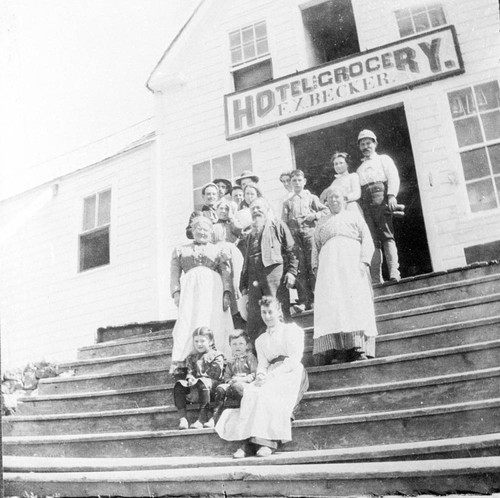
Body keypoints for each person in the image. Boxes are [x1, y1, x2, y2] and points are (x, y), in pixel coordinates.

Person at [215, 296, 308, 458]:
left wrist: (271, 375)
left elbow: (294, 360)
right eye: (264, 312)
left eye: (270, 312)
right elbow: (263, 364)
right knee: (252, 392)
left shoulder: (292, 331)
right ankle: (248, 443)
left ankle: (268, 443)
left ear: (279, 311)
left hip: (291, 373)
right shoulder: (261, 340)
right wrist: (260, 375)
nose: (267, 316)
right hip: (270, 372)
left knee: (269, 393)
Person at [312, 186, 377, 364]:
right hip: (329, 271)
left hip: (352, 267)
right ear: (326, 203)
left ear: (345, 200)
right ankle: (339, 349)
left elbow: (368, 241)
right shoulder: (321, 223)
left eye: (337, 197)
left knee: (354, 304)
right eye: (330, 198)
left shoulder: (354, 217)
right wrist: (317, 269)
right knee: (334, 307)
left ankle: (358, 348)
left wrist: (364, 262)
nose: (333, 200)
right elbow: (315, 249)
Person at [170, 216, 233, 373]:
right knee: (187, 320)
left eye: (205, 230)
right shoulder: (181, 250)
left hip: (213, 289)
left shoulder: (218, 250)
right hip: (190, 290)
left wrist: (226, 293)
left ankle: (220, 359)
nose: (202, 233)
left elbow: (226, 272)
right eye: (199, 229)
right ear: (193, 231)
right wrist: (176, 292)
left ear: (210, 232)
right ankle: (182, 361)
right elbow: (174, 274)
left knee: (214, 319)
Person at [240, 198, 298, 343]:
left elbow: (292, 250)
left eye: (259, 208)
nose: (256, 211)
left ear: (267, 210)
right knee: (255, 318)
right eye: (253, 209)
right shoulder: (249, 235)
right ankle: (260, 356)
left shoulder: (277, 225)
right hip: (254, 281)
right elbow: (247, 261)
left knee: (278, 312)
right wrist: (243, 285)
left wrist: (291, 271)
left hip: (274, 278)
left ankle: (284, 349)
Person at [356, 129, 404, 283]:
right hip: (366, 204)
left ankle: (394, 273)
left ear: (375, 144)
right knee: (372, 239)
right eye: (362, 144)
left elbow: (393, 177)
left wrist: (391, 196)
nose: (366, 146)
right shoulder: (360, 168)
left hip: (381, 199)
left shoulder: (384, 159)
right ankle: (377, 278)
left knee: (387, 235)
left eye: (368, 143)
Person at [282, 170, 329, 313]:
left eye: (299, 180)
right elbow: (283, 223)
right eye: (294, 180)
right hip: (295, 239)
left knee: (312, 265)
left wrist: (314, 215)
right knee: (300, 268)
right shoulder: (287, 202)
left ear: (304, 181)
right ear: (290, 183)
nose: (296, 183)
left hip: (309, 235)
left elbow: (326, 211)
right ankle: (304, 301)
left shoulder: (311, 198)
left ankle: (317, 299)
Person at [174, 326, 224, 430]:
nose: (199, 344)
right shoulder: (192, 357)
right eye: (196, 341)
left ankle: (202, 417)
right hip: (197, 385)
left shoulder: (217, 355)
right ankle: (183, 418)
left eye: (202, 341)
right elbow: (190, 371)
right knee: (179, 385)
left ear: (210, 341)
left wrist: (200, 378)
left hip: (212, 386)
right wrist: (190, 378)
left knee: (202, 381)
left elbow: (216, 374)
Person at [213, 330, 258, 422]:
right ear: (230, 345)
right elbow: (227, 376)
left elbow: (254, 373)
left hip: (246, 384)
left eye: (241, 343)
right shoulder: (231, 360)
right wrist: (229, 381)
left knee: (237, 387)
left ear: (247, 345)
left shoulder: (250, 357)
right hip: (232, 384)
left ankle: (245, 412)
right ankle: (218, 412)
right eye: (234, 344)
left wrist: (243, 379)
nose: (237, 346)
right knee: (220, 389)